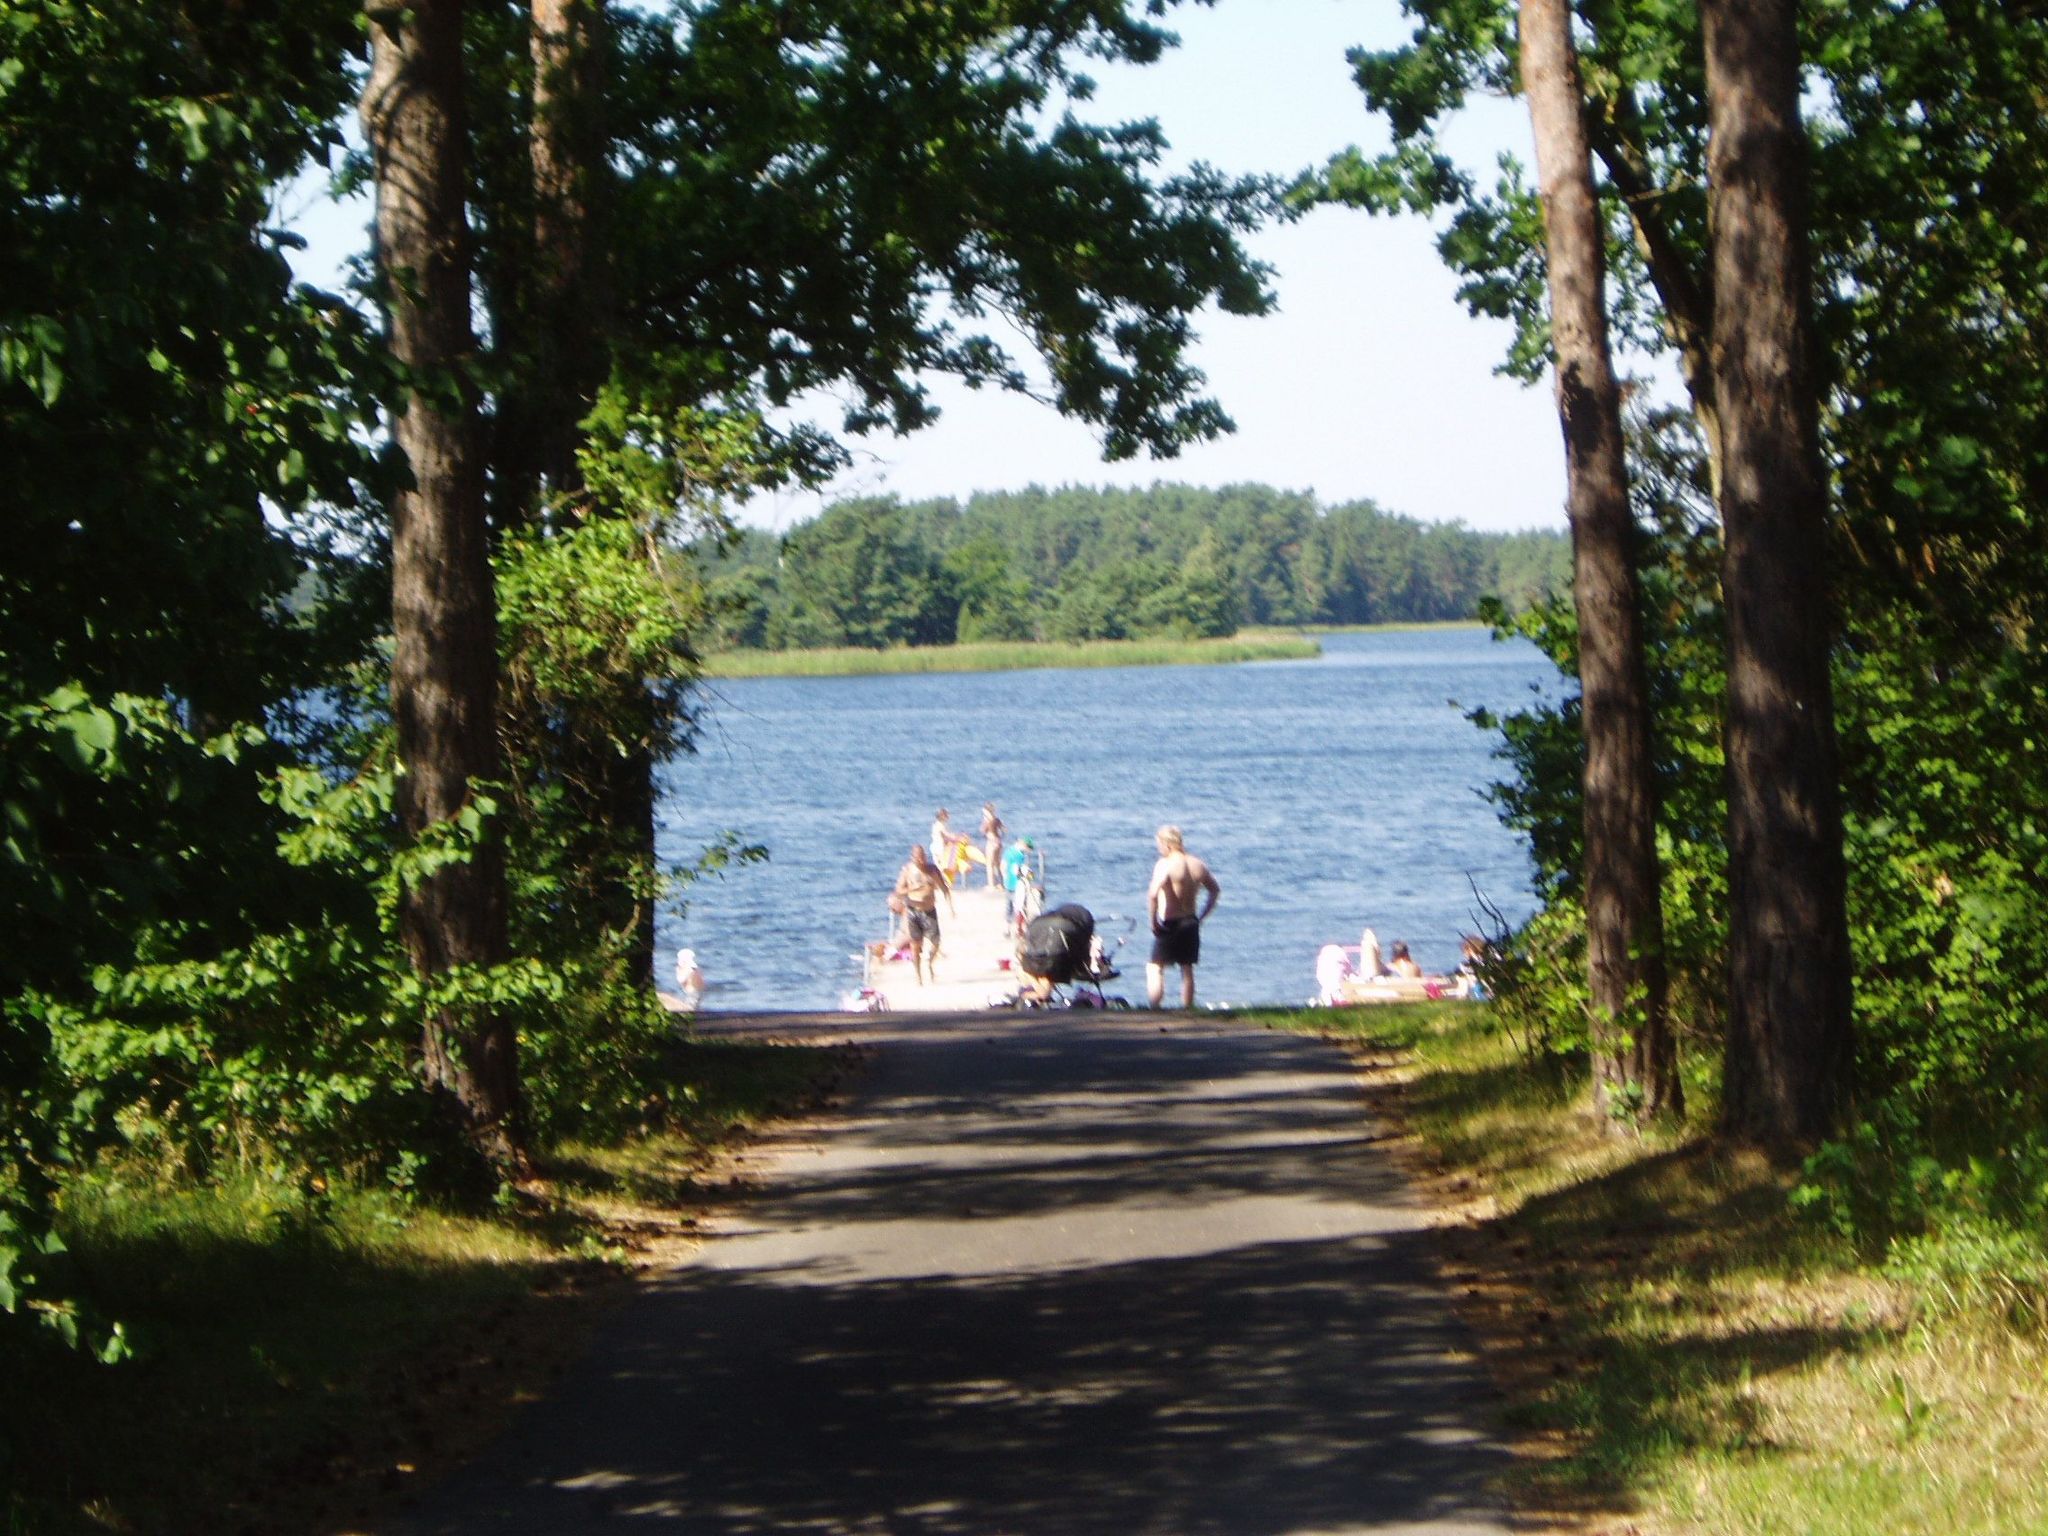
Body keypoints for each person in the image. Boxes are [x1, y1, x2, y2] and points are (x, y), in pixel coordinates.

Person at [1145, 824, 1220, 1008]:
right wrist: (1202, 916)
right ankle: (1188, 1009)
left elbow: (1153, 894)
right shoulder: (1197, 864)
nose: (1159, 849)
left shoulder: (1165, 865)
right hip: (1190, 921)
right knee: (1187, 968)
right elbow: (1214, 890)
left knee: (1155, 967)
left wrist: (1153, 921)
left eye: (1159, 845)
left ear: (1168, 845)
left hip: (1171, 922)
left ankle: (1155, 1007)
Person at [893, 843, 952, 984]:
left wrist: (950, 907)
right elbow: (898, 891)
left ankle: (929, 963)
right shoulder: (907, 870)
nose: (921, 861)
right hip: (914, 912)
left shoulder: (932, 870)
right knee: (915, 945)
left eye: (923, 858)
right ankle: (918, 976)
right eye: (918, 858)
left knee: (936, 942)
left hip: (929, 910)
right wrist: (911, 889)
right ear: (913, 858)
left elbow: (944, 888)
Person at [980, 801, 1006, 888]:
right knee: (997, 864)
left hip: (991, 842)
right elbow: (1004, 830)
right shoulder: (997, 819)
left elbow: (982, 831)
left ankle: (991, 885)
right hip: (998, 842)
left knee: (989, 865)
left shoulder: (988, 821)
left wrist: (985, 821)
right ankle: (1001, 883)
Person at [673, 948, 705, 1013]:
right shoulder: (694, 968)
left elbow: (681, 980)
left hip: (691, 993)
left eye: (680, 960)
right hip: (695, 992)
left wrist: (679, 971)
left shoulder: (689, 968)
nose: (679, 961)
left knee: (690, 1006)